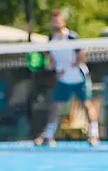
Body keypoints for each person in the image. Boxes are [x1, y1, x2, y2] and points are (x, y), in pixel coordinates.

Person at [33, 9, 99, 147]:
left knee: (87, 104)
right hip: (63, 80)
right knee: (55, 106)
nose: (56, 24)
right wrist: (54, 69)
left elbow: (82, 56)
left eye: (58, 21)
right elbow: (51, 61)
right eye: (53, 21)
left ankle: (94, 135)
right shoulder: (50, 40)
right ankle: (48, 136)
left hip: (79, 78)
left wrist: (74, 65)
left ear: (63, 22)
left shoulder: (72, 37)